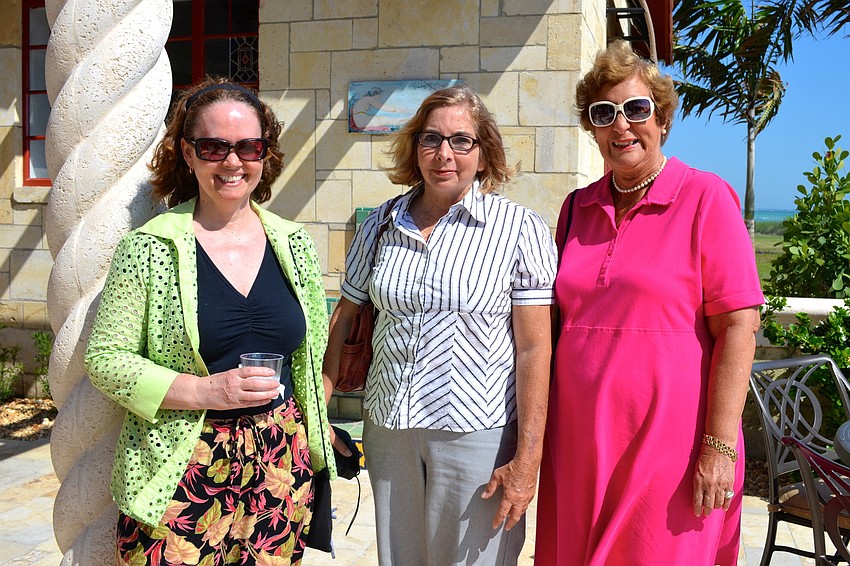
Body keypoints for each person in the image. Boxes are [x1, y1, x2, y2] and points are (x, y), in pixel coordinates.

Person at [84, 78, 335, 565]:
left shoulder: (294, 242)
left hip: (280, 466)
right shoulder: (150, 247)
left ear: (266, 153)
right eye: (214, 146)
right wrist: (206, 392)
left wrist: (313, 436)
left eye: (248, 146)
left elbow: (308, 359)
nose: (233, 161)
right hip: (181, 469)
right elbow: (105, 359)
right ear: (188, 152)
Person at [534, 40, 765, 565]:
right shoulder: (577, 208)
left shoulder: (706, 197)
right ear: (592, 130)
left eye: (636, 109)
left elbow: (739, 328)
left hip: (671, 448)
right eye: (603, 114)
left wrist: (719, 447)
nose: (621, 126)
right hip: (580, 446)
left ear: (660, 118)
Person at [323, 85, 557, 564]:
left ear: (484, 151)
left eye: (461, 140)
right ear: (415, 149)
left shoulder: (518, 229)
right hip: (389, 428)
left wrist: (528, 458)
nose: (444, 154)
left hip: (476, 433)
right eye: (430, 139)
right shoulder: (381, 225)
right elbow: (344, 321)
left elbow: (535, 349)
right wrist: (317, 415)